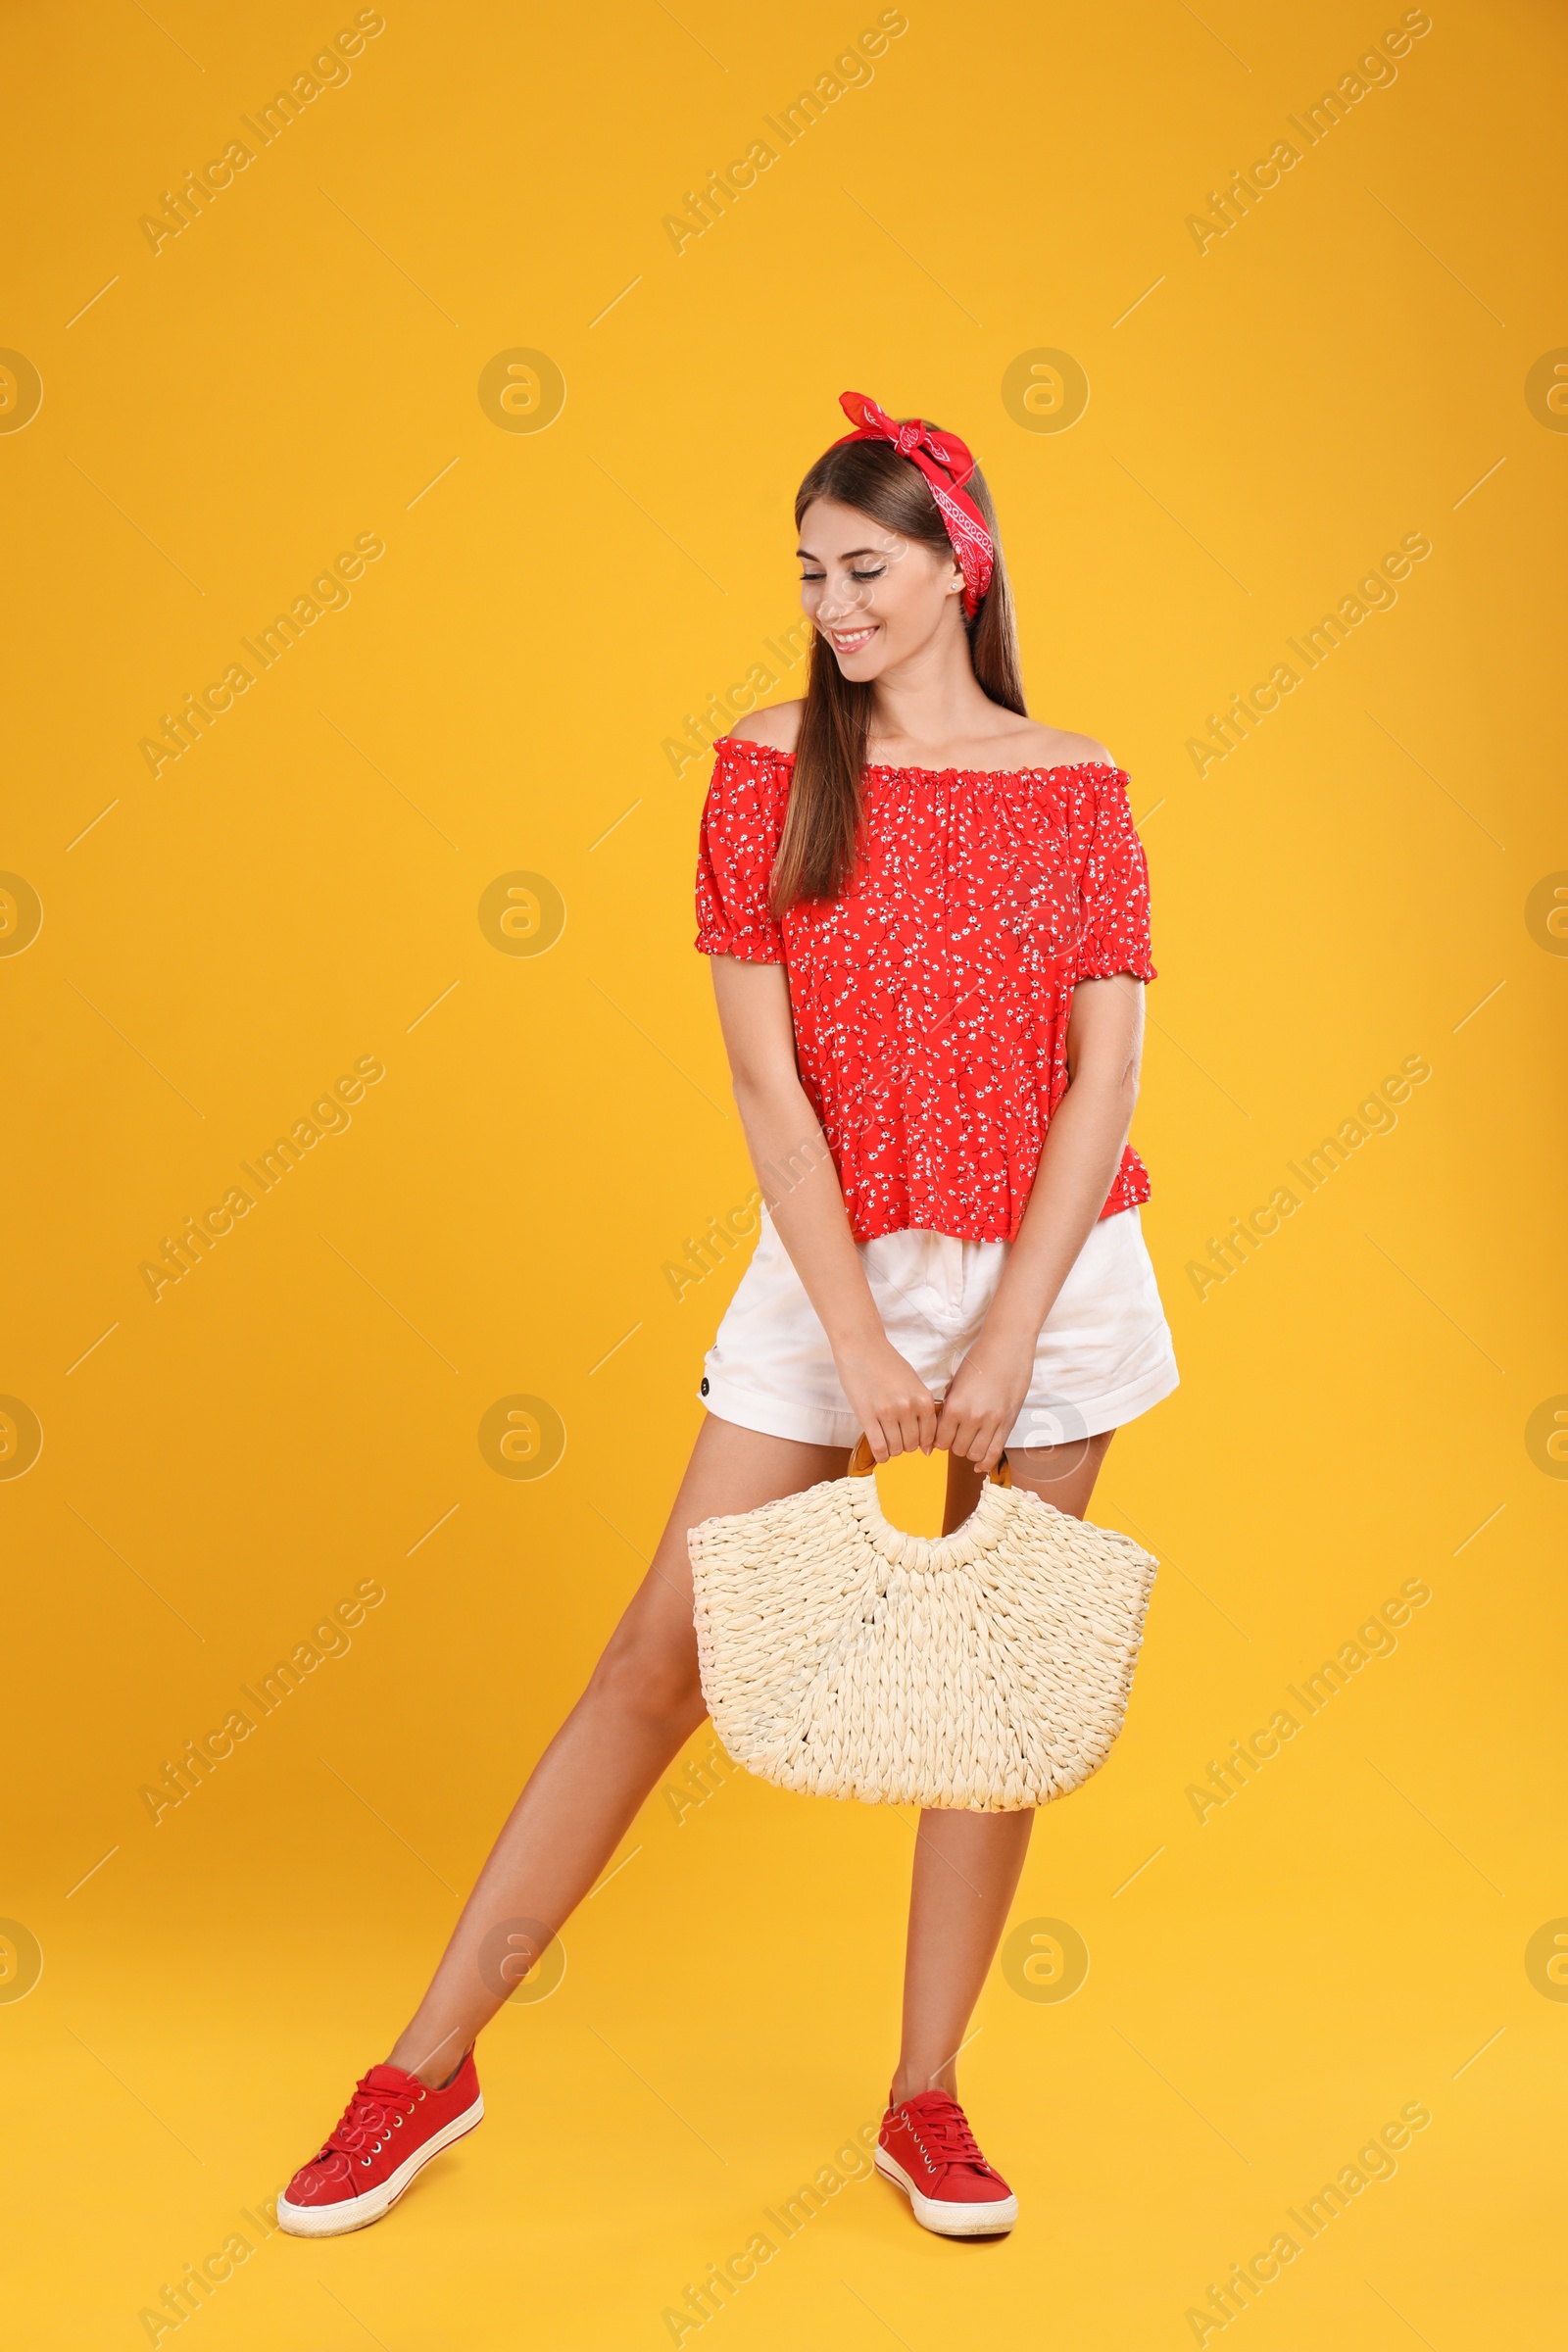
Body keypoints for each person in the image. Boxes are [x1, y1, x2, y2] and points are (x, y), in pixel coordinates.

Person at [277, 389, 1179, 2243]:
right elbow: (770, 1093)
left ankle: (926, 2102)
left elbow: (1104, 1080)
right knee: (654, 1662)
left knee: (995, 1696)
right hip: (836, 1258)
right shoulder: (767, 769)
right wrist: (856, 1341)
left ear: (959, 565)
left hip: (1056, 1268)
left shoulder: (1077, 782)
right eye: (810, 576)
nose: (833, 606)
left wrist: (1006, 1335)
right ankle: (424, 2068)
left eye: (864, 569)